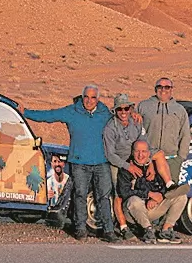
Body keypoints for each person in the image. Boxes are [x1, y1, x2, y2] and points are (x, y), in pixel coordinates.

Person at [18, 85, 118, 242]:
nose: (89, 101)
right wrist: (26, 113)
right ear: (82, 97)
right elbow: (50, 115)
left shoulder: (105, 113)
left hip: (101, 162)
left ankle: (109, 231)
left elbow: (122, 119)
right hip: (79, 162)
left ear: (98, 99)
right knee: (80, 195)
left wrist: (135, 116)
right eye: (86, 97)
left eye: (93, 97)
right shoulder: (72, 111)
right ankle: (80, 229)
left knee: (104, 196)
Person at [103, 93, 176, 240]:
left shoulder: (136, 121)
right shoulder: (110, 128)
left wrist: (149, 163)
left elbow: (144, 141)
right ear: (115, 111)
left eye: (126, 108)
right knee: (119, 193)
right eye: (120, 109)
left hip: (138, 156)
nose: (123, 112)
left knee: (159, 154)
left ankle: (169, 184)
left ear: (131, 109)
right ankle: (123, 226)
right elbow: (110, 154)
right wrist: (127, 166)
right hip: (120, 161)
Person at [117, 140, 189, 244]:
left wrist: (157, 197)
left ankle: (165, 231)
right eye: (137, 151)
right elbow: (125, 192)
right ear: (132, 152)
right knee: (134, 200)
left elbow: (164, 187)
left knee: (181, 197)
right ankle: (148, 230)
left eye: (143, 151)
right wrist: (148, 194)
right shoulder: (127, 168)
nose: (140, 155)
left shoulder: (155, 166)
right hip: (133, 211)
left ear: (149, 153)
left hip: (151, 208)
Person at [137, 77, 190, 184]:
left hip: (172, 159)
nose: (163, 90)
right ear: (155, 89)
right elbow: (136, 130)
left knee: (170, 192)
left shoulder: (179, 109)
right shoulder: (144, 106)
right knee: (147, 190)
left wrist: (180, 158)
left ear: (171, 89)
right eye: (160, 87)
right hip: (148, 159)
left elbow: (185, 134)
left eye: (167, 87)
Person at [46, 154, 72, 228]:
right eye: (55, 161)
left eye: (59, 161)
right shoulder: (49, 181)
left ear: (63, 164)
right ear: (51, 164)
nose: (57, 164)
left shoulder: (68, 180)